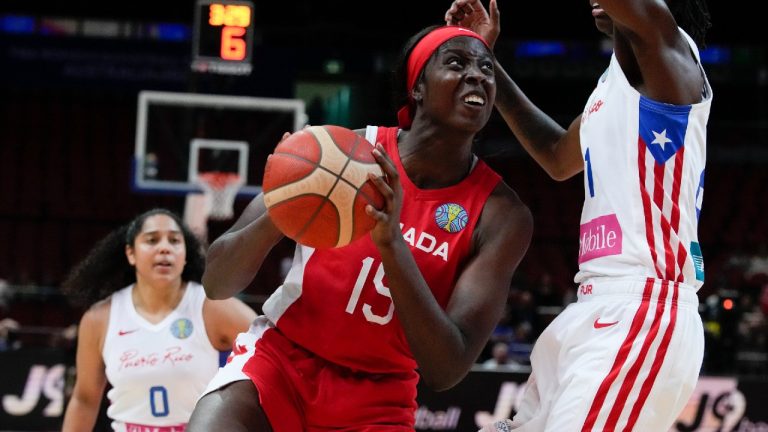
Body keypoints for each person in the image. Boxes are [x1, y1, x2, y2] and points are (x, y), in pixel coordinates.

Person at [187, 24, 533, 431]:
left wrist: (392, 244)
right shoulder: (339, 150)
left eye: (487, 68)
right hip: (282, 361)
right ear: (417, 88)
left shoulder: (501, 214)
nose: (477, 75)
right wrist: (287, 206)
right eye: (456, 63)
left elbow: (447, 368)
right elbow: (216, 283)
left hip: (378, 397)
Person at [446, 0, 713, 430]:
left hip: (642, 310)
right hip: (592, 307)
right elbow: (556, 158)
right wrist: (488, 61)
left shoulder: (670, 50)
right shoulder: (613, 87)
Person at [61, 208, 256, 432]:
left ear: (185, 255)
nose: (164, 248)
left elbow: (270, 348)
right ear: (131, 254)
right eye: (152, 240)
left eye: (174, 241)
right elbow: (84, 400)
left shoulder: (211, 306)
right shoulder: (100, 318)